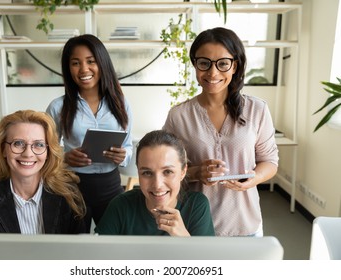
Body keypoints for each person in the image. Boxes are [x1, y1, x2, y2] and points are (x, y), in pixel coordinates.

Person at [163, 27, 279, 237]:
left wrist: (254, 178)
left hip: (245, 225)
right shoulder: (178, 115)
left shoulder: (257, 109)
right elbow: (166, 169)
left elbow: (270, 161)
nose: (213, 72)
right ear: (195, 65)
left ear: (234, 66)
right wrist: (197, 172)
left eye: (223, 63)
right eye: (204, 63)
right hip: (194, 225)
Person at [46, 34, 132, 232]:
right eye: (76, 63)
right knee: (73, 244)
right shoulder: (58, 107)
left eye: (91, 61)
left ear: (102, 63)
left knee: (114, 242)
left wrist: (123, 155)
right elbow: (44, 149)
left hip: (110, 184)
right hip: (73, 185)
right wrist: (65, 157)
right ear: (68, 68)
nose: (84, 69)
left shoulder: (121, 103)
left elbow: (128, 145)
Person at [0, 110, 86, 234]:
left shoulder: (69, 195)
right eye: (18, 143)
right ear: (3, 149)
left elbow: (78, 250)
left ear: (48, 152)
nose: (28, 154)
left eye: (39, 144)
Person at [94, 130, 215, 236]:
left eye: (168, 172)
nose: (157, 185)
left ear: (183, 172)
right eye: (147, 173)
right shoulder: (121, 206)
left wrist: (184, 238)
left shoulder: (196, 206)